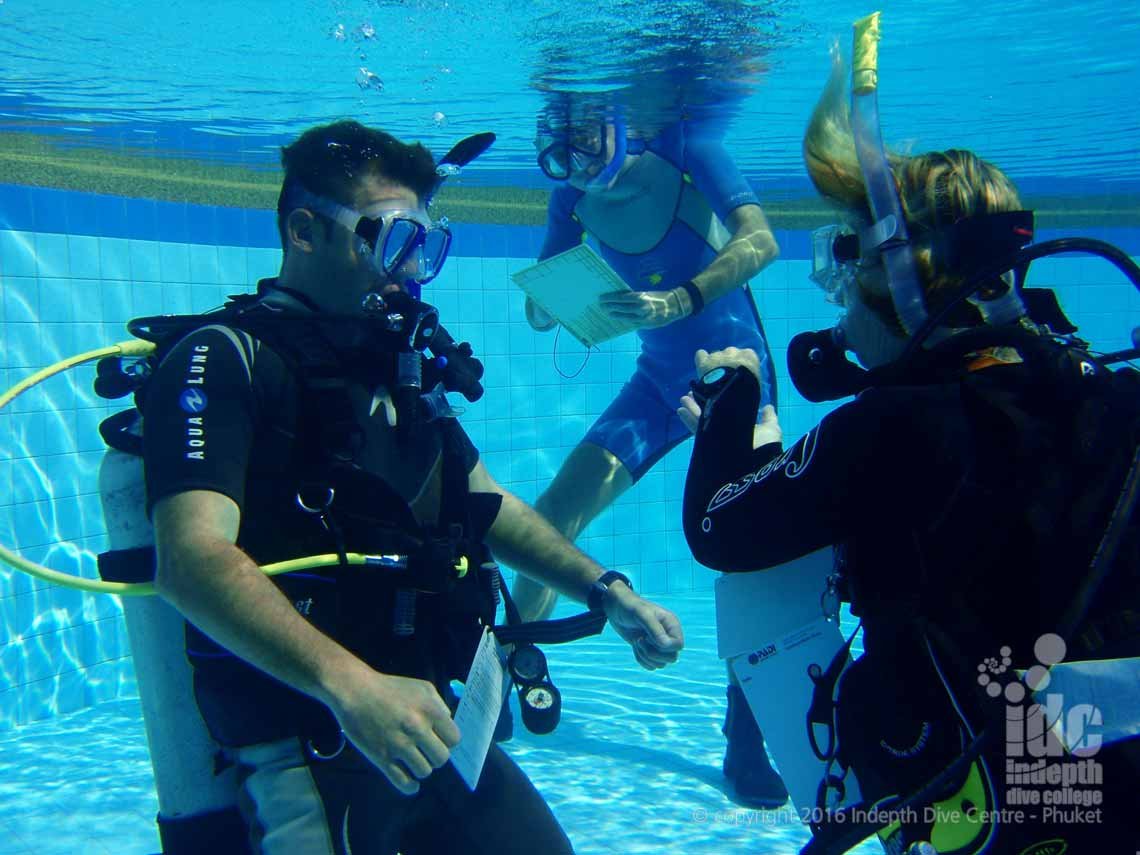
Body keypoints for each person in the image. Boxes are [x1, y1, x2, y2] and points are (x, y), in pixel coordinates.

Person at [141, 119, 685, 855]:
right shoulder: (223, 360)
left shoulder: (401, 370)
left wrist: (605, 589)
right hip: (313, 734)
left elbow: (488, 505)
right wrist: (349, 685)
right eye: (395, 242)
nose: (412, 271)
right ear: (305, 230)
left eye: (425, 247)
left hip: (432, 721)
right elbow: (191, 557)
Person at [680, 28, 1140, 854]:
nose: (834, 295)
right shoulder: (1110, 393)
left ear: (901, 275)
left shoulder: (896, 426)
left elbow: (720, 528)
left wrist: (730, 399)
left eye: (840, 262)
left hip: (979, 805)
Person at [510, 104, 788, 807]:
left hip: (735, 375)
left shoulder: (691, 144)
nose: (574, 166)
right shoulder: (570, 197)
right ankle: (515, 660)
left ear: (621, 125)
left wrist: (682, 299)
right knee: (550, 518)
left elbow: (762, 243)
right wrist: (561, 303)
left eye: (586, 145)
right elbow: (540, 307)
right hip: (656, 382)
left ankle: (745, 740)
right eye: (558, 155)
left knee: (755, 554)